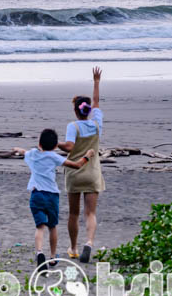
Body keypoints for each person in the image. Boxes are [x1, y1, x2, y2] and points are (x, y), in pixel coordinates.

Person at [13, 130, 94, 270]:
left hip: (36, 195)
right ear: (56, 146)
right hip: (52, 196)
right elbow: (76, 165)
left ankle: (39, 252)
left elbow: (24, 152)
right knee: (52, 226)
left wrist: (17, 149)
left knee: (39, 227)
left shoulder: (32, 154)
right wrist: (87, 156)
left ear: (39, 143)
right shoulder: (54, 157)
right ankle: (52, 257)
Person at [59, 67, 105, 263]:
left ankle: (74, 248)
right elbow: (96, 102)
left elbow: (69, 146)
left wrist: (54, 144)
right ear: (88, 110)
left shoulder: (73, 126)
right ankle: (89, 242)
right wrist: (96, 82)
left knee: (74, 213)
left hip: (74, 172)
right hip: (93, 173)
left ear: (75, 110)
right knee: (90, 213)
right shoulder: (96, 123)